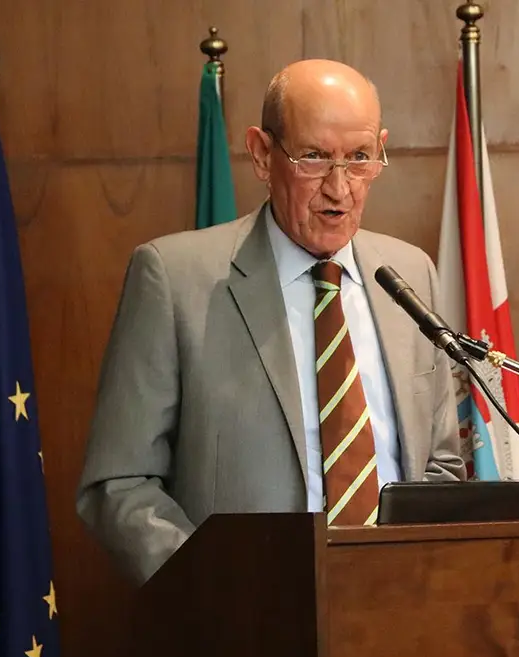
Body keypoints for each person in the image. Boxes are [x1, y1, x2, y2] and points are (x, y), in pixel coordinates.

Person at [76, 59, 467, 586]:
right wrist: (217, 590)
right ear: (262, 155)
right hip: (240, 630)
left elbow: (439, 466)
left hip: (393, 617)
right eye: (313, 158)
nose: (340, 188)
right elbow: (119, 482)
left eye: (359, 158)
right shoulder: (174, 279)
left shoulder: (409, 273)